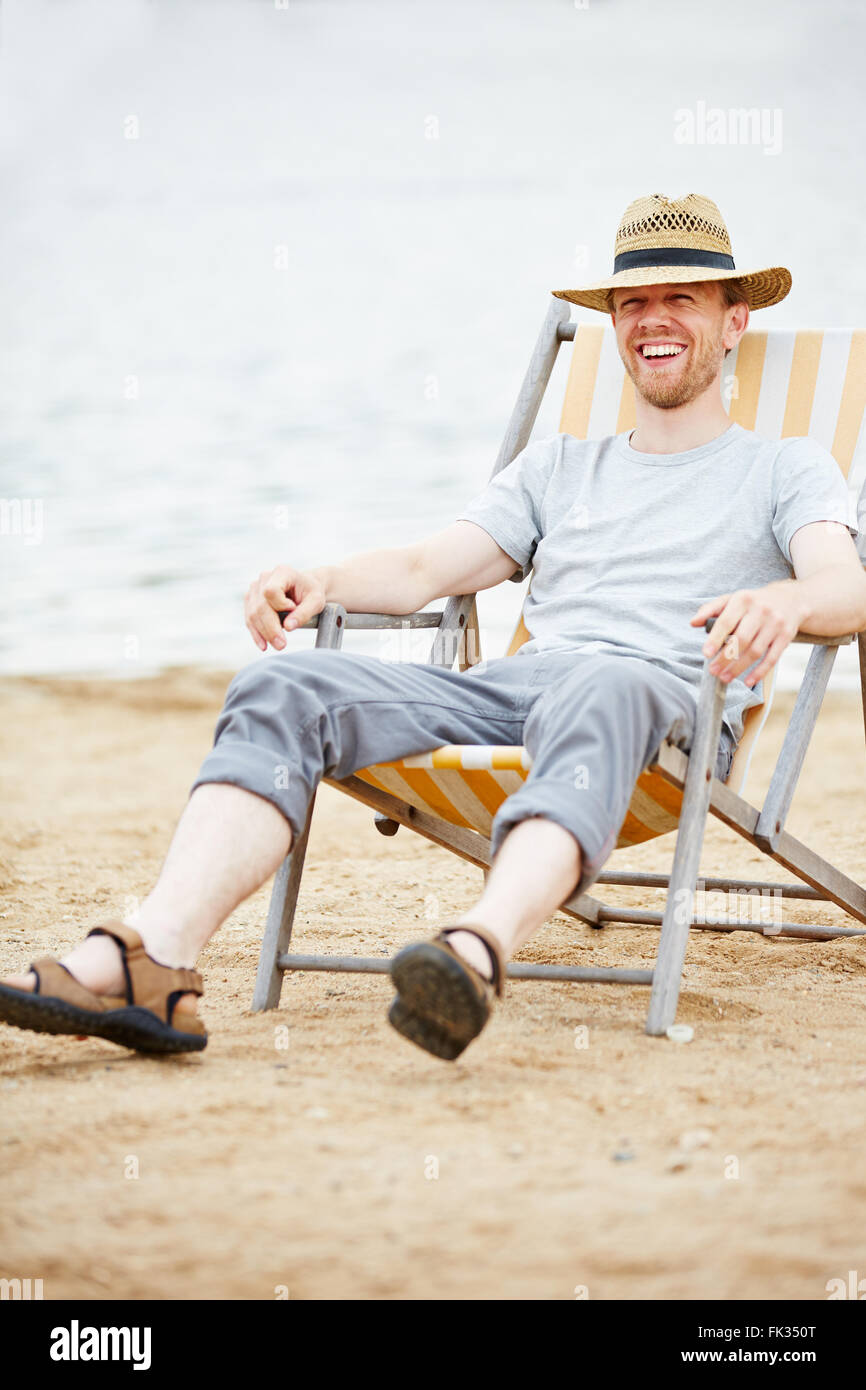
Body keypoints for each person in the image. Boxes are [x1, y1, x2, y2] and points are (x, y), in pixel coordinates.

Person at [2, 192, 864, 1063]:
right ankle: (158, 955)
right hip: (519, 693)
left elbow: (846, 586)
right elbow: (423, 571)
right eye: (633, 303)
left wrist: (787, 601)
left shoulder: (783, 467)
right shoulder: (562, 466)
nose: (653, 320)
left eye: (683, 299)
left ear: (734, 321)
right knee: (281, 685)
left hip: (660, 704)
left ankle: (476, 950)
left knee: (607, 683)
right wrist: (325, 578)